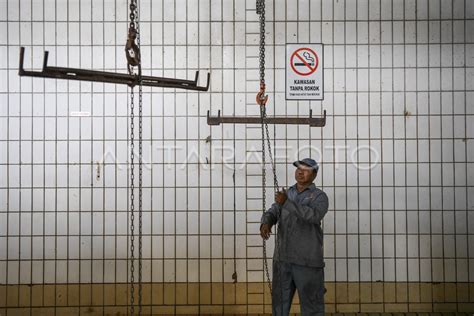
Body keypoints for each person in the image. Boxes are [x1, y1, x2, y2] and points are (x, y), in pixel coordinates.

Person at [260, 158, 328, 316]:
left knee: (312, 307)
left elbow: (313, 216)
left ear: (315, 174)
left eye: (306, 169)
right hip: (282, 260)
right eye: (298, 168)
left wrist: (287, 203)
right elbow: (274, 210)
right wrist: (266, 222)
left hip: (307, 261)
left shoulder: (319, 197)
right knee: (279, 306)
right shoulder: (287, 193)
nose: (300, 171)